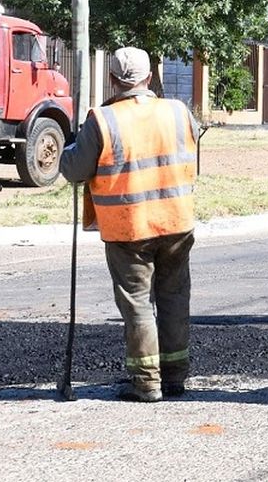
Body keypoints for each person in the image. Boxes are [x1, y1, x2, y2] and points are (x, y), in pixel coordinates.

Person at [59, 46, 199, 403]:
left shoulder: (103, 120)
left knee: (137, 303)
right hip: (176, 222)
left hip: (129, 227)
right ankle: (175, 376)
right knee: (174, 297)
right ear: (150, 78)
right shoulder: (178, 111)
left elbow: (74, 170)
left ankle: (147, 381)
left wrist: (70, 148)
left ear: (112, 80)